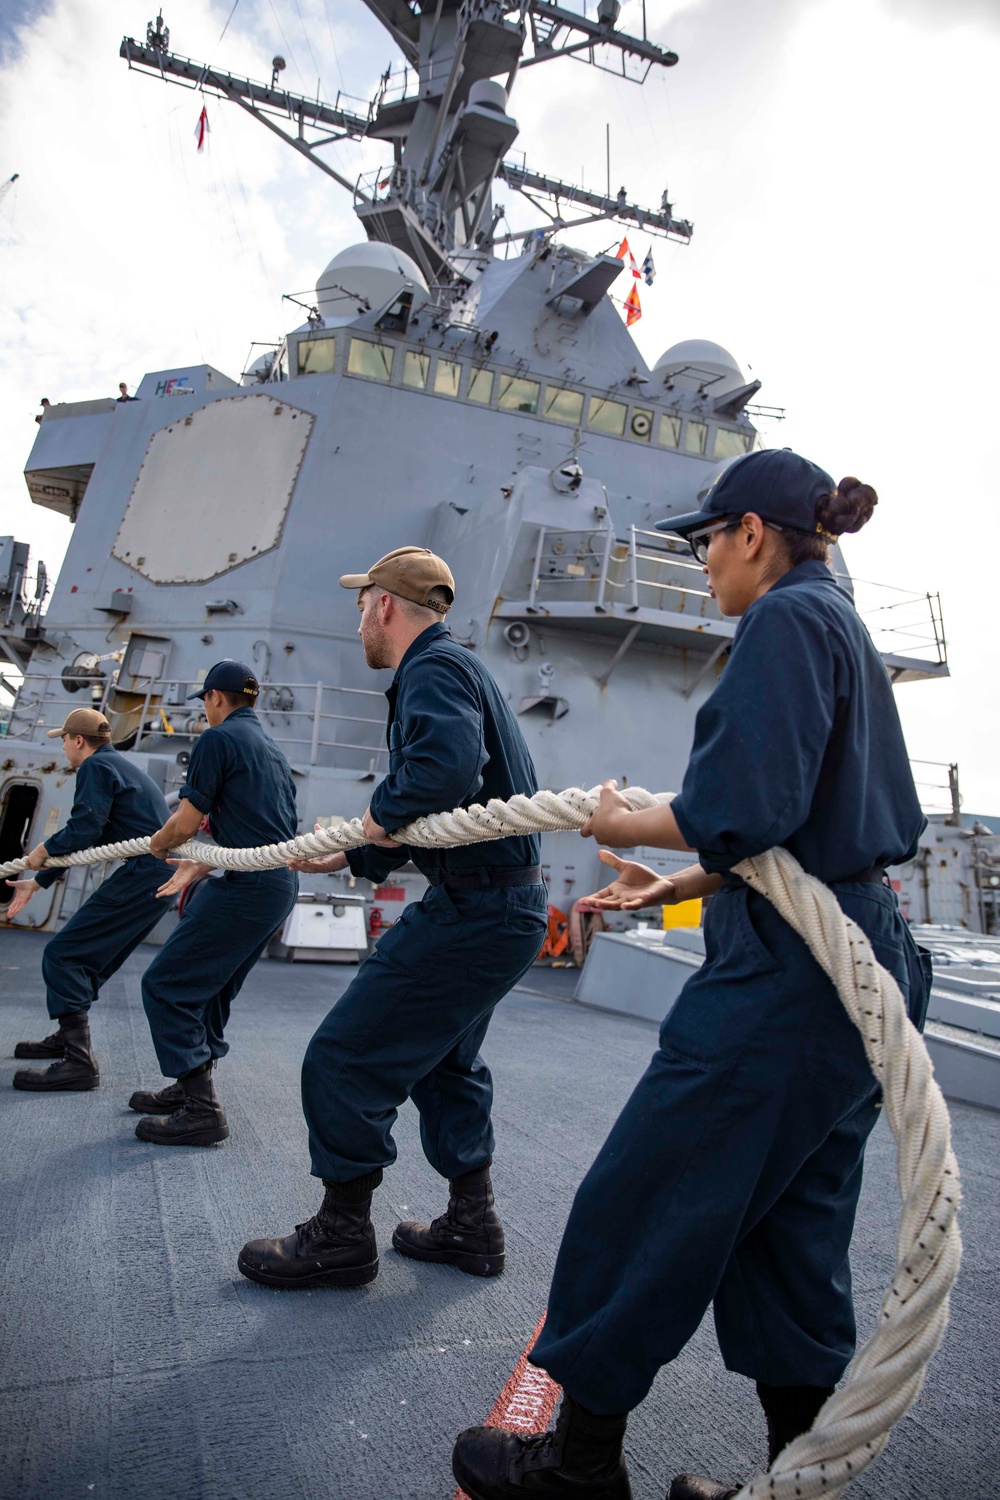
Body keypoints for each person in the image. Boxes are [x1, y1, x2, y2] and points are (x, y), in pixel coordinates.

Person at [450, 449, 933, 1500]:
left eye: (704, 541)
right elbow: (804, 829)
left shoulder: (784, 622)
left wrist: (623, 818)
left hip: (785, 982)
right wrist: (669, 886)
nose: (700, 563)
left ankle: (576, 1471)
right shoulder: (837, 624)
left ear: (750, 533)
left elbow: (740, 808)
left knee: (644, 1199)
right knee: (788, 1231)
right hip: (862, 962)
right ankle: (794, 1476)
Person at [237, 547, 548, 1290]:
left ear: (383, 604)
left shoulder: (432, 670)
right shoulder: (460, 667)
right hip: (506, 904)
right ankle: (473, 1225)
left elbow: (442, 770)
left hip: (478, 907)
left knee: (344, 1057)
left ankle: (342, 1233)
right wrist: (353, 856)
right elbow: (440, 803)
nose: (357, 624)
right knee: (448, 1062)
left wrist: (371, 821)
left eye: (360, 606)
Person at [130, 660, 298, 1148]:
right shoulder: (270, 748)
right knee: (212, 989)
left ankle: (202, 1109)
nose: (204, 710)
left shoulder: (217, 740)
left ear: (216, 698)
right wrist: (204, 862)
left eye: (204, 701)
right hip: (274, 887)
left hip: (246, 888)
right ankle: (189, 1088)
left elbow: (183, 824)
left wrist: (160, 846)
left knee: (166, 985)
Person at [7, 708, 174, 1093]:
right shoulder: (118, 765)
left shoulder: (94, 769)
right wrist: (40, 881)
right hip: (153, 874)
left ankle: (78, 1061)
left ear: (78, 741)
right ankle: (69, 1038)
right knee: (86, 959)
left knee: (64, 955)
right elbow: (97, 837)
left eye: (64, 739)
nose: (63, 747)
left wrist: (42, 850)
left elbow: (85, 828)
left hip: (145, 874)